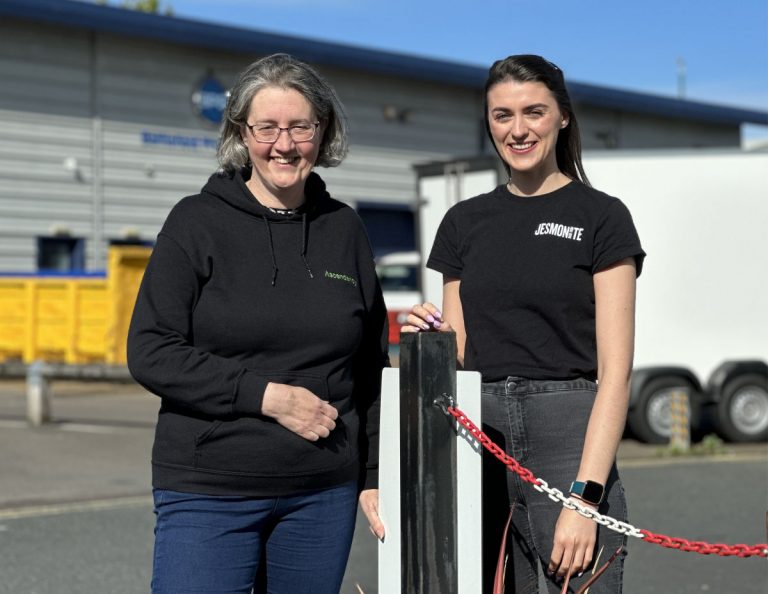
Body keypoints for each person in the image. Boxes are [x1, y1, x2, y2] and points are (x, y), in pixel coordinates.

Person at [127, 53, 388, 594]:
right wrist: (267, 397)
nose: (284, 145)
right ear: (241, 135)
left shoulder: (345, 229)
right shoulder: (195, 223)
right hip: (209, 488)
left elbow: (369, 366)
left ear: (323, 132)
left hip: (321, 493)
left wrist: (374, 475)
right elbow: (151, 349)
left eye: (300, 127)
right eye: (266, 127)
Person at [404, 55, 645, 593]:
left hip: (569, 440)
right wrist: (431, 338)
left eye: (533, 112)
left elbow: (616, 373)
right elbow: (459, 353)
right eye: (502, 115)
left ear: (562, 117)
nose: (518, 130)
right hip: (479, 439)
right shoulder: (463, 222)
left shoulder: (601, 217)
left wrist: (585, 498)